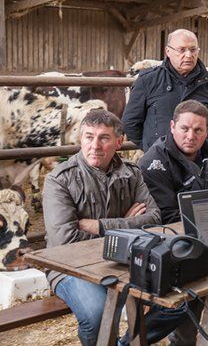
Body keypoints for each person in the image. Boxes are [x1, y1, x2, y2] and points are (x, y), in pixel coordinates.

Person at [42, 109, 183, 346]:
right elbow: (66, 240)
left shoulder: (132, 173)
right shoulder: (60, 179)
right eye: (89, 136)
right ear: (80, 138)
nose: (95, 145)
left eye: (104, 138)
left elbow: (155, 219)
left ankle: (124, 344)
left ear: (118, 142)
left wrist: (100, 226)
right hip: (71, 267)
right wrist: (127, 224)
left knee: (179, 304)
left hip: (124, 260)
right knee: (97, 314)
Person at [122, 29, 208, 152]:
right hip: (160, 160)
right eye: (182, 50)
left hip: (197, 158)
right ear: (168, 51)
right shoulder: (148, 80)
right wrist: (151, 147)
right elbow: (130, 122)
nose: (188, 55)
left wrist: (198, 145)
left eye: (193, 50)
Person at [139, 100, 208, 224]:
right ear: (172, 126)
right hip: (175, 233)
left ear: (207, 131)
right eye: (184, 129)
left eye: (198, 130)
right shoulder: (153, 163)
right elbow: (166, 215)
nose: (191, 137)